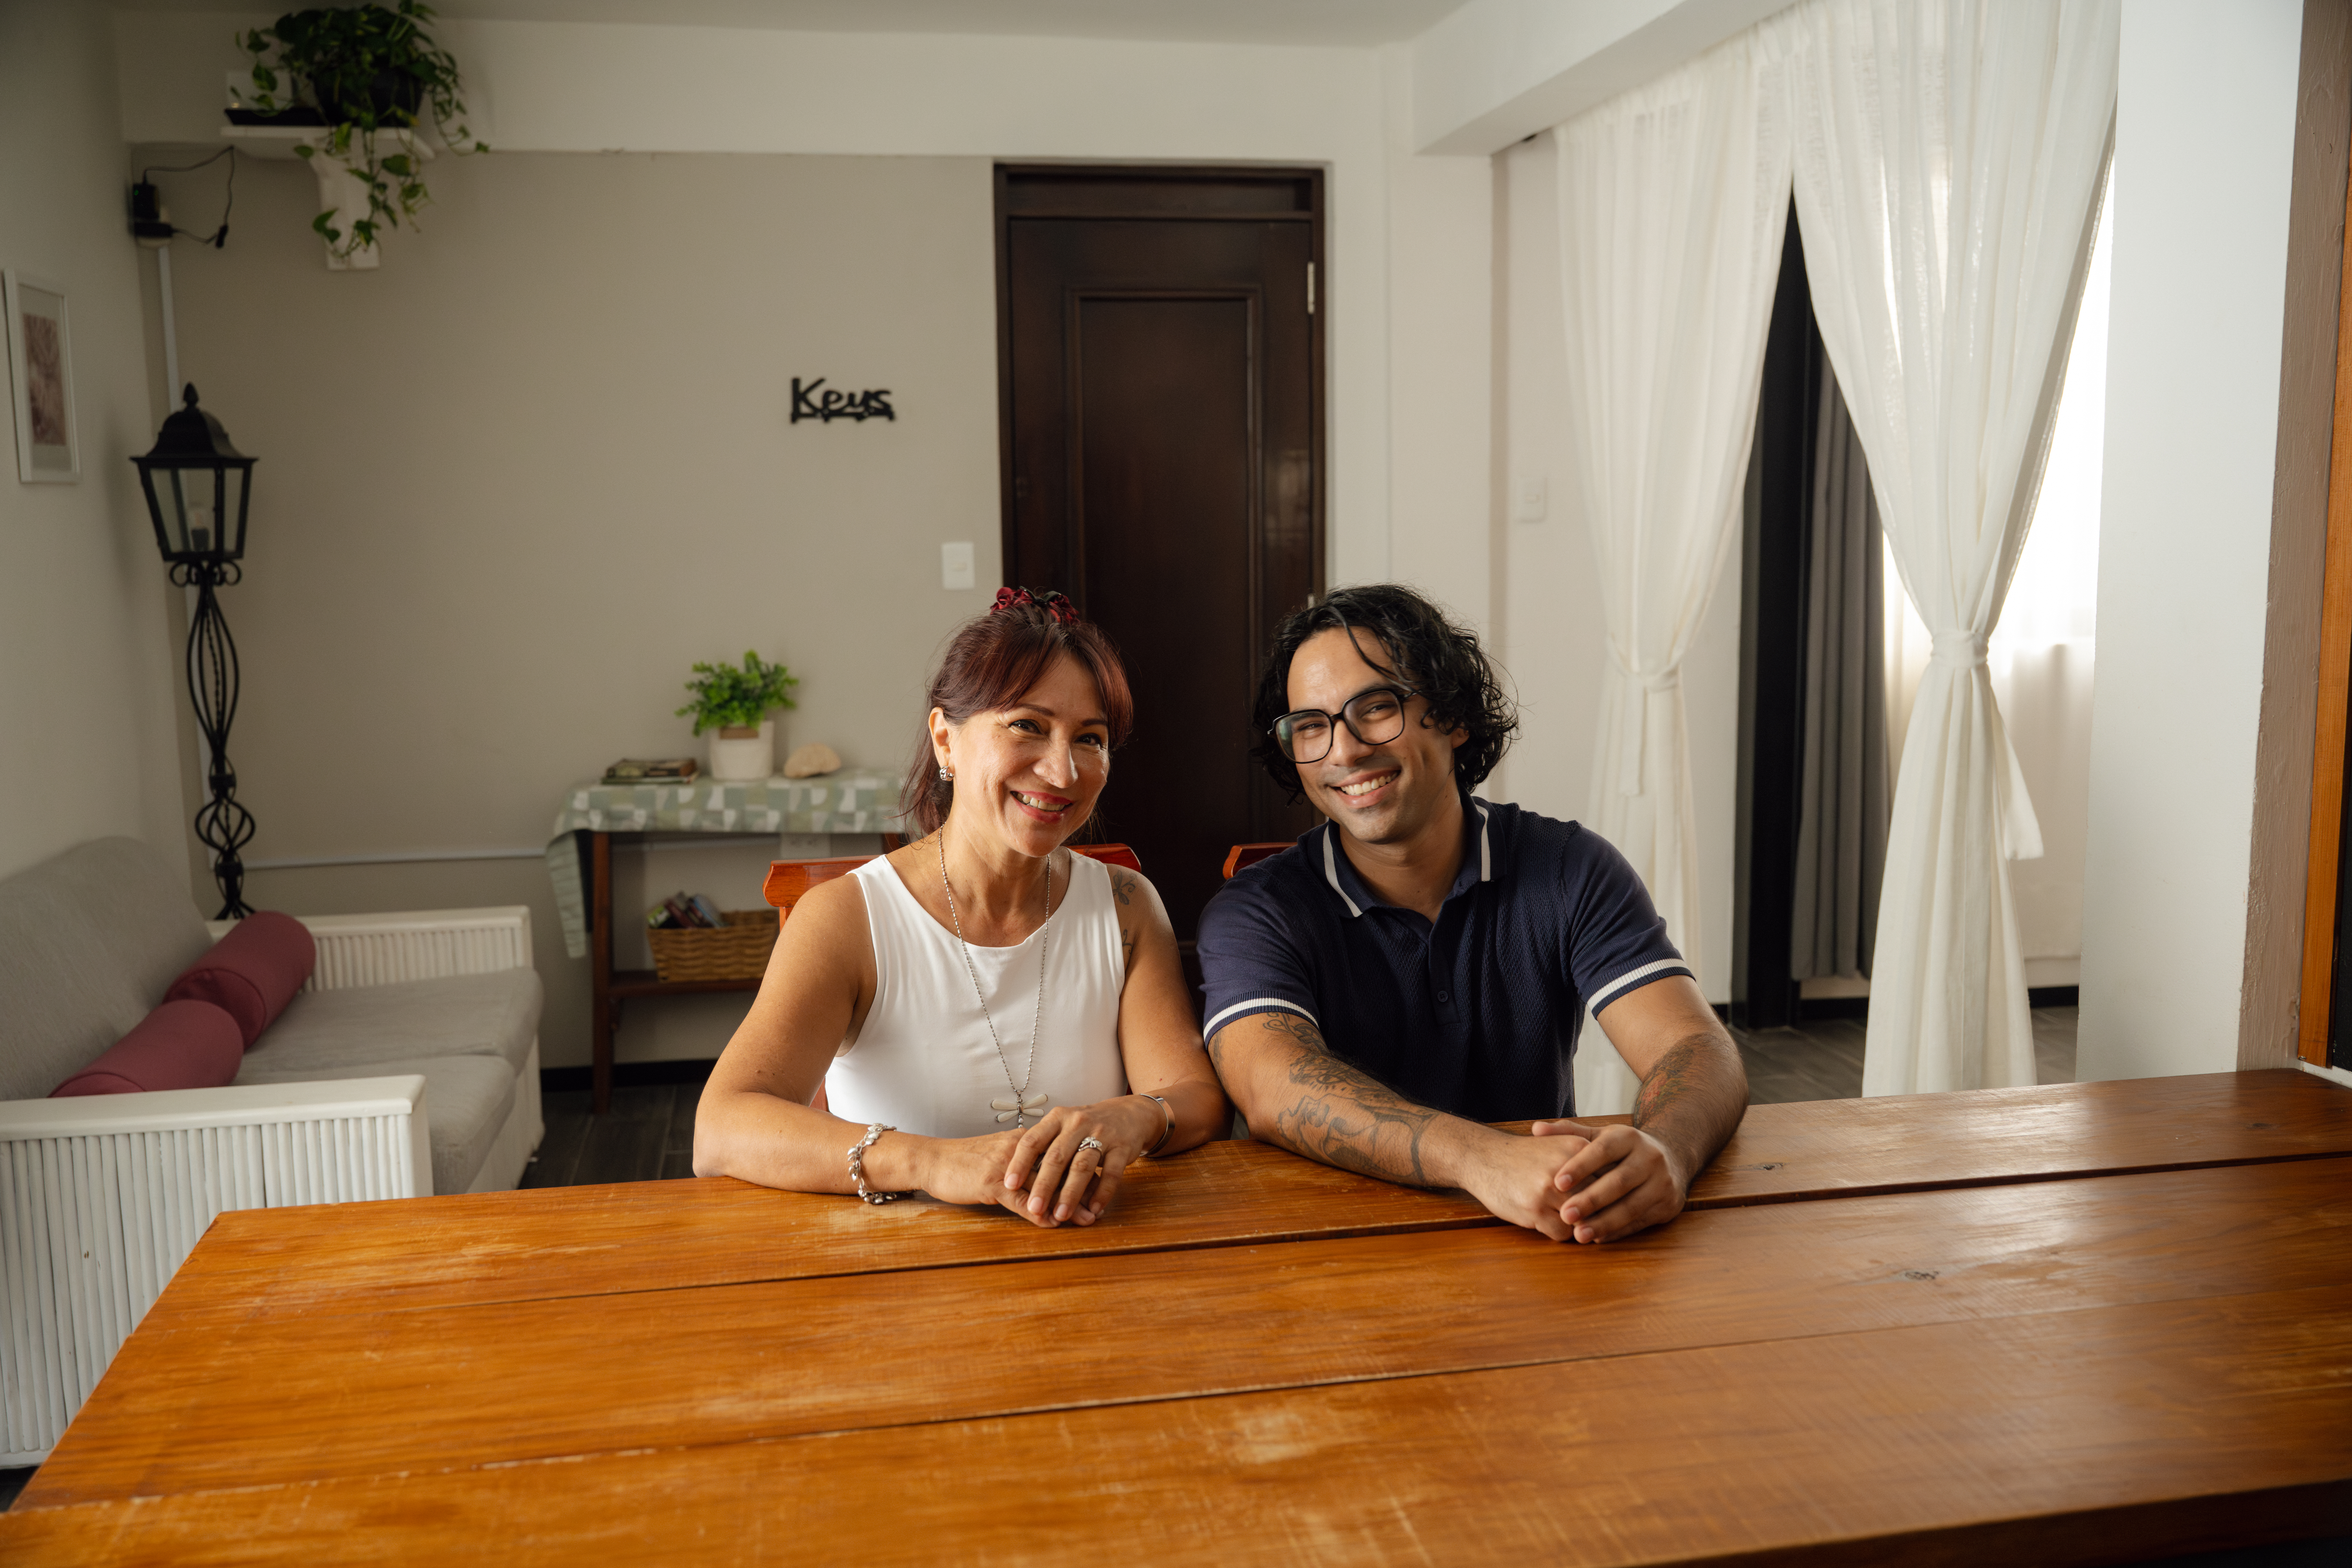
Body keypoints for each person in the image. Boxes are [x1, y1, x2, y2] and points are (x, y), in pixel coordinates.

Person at [1196, 584, 1747, 1244]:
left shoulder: (1571, 867)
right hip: (1329, 1245)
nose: (1343, 752)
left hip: (1548, 1234)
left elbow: (1694, 1045)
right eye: (1311, 726)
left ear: (1454, 716)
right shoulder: (1257, 909)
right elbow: (1272, 1085)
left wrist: (1666, 1152)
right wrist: (1480, 1158)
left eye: (1376, 708)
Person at [695, 587, 1226, 1226]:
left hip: (1089, 1262)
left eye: (1090, 738)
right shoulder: (846, 919)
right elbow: (723, 1128)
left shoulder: (1125, 906)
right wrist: (933, 1163)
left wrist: (1137, 1114)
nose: (1062, 772)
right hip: (905, 1279)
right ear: (946, 740)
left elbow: (1194, 1096)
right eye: (1028, 726)